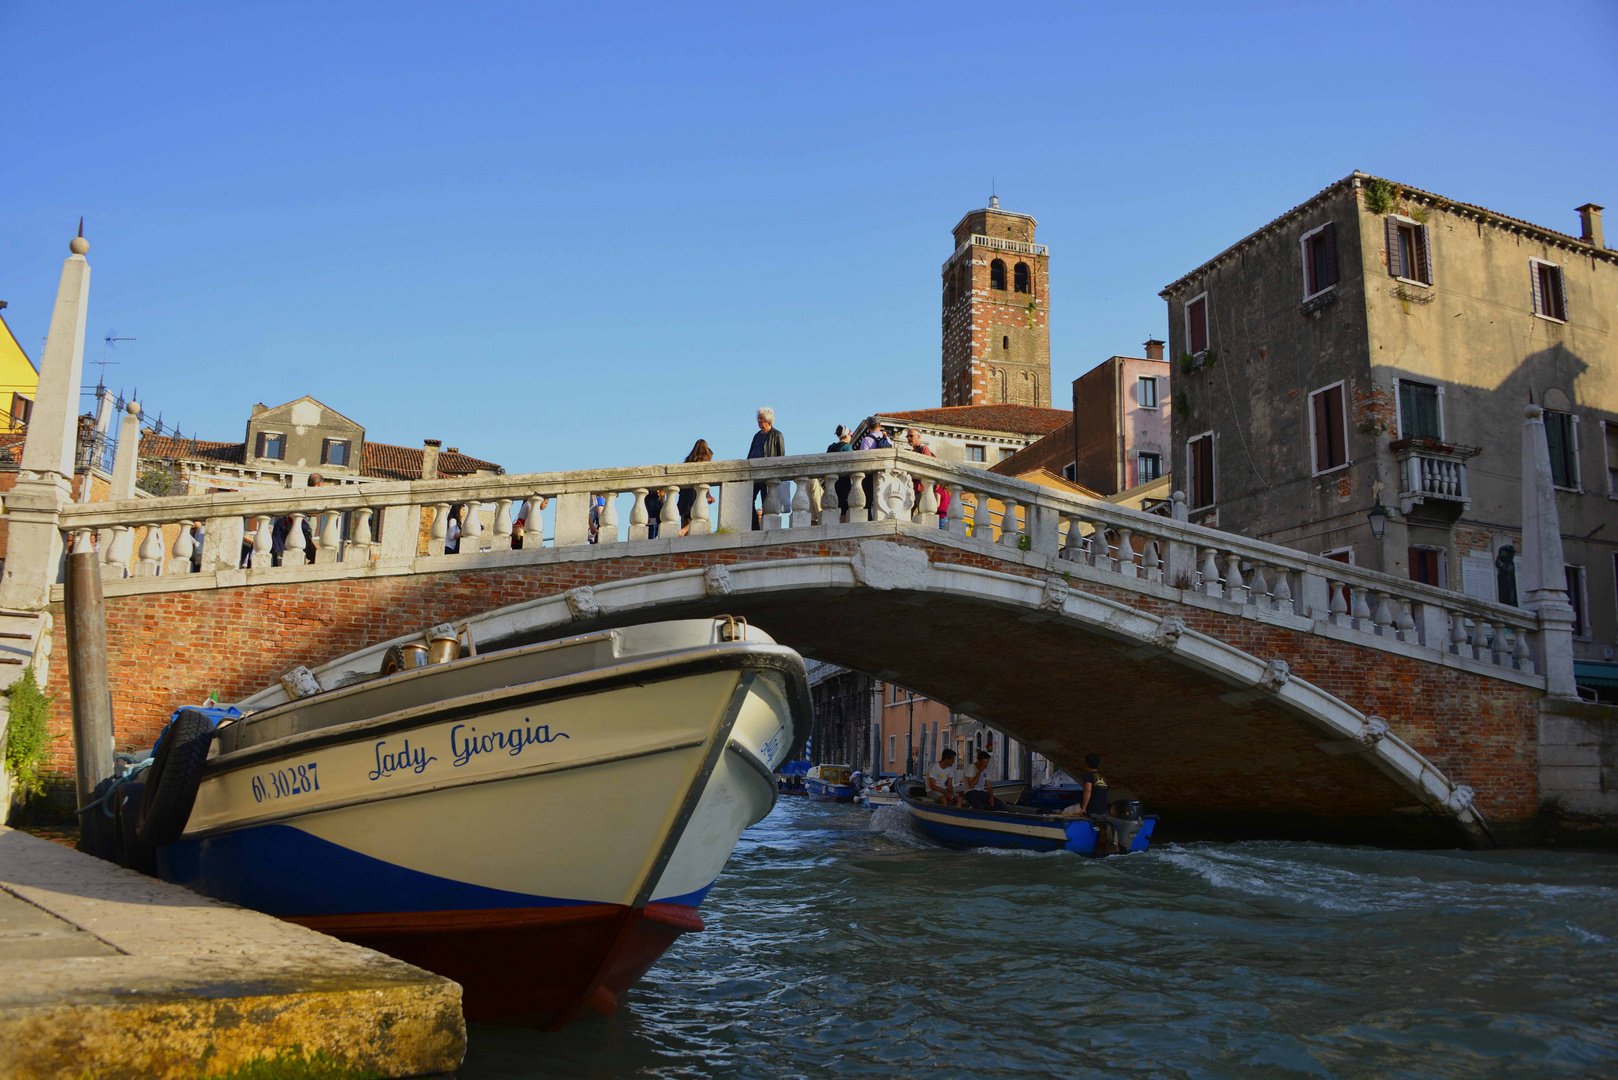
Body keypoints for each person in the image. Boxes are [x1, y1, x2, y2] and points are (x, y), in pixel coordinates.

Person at [748, 407, 785, 530]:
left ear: (768, 420)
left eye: (761, 418)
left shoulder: (777, 435)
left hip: (768, 475)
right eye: (758, 418)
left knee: (767, 501)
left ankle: (767, 528)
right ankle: (755, 526)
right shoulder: (756, 436)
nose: (758, 420)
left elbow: (781, 457)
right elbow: (750, 454)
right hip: (755, 474)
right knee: (748, 499)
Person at [903, 428, 949, 526]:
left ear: (918, 436)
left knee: (922, 514)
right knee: (907, 513)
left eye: (911, 436)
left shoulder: (924, 449)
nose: (909, 438)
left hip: (922, 488)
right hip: (914, 488)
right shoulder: (914, 451)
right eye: (907, 436)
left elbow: (926, 469)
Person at [678, 440, 716, 535]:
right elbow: (705, 483)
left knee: (687, 518)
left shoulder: (686, 463)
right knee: (701, 519)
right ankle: (684, 530)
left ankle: (684, 531)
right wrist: (708, 496)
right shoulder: (704, 465)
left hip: (684, 495)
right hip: (695, 494)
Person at [857, 418, 891, 514]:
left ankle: (869, 517)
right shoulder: (887, 439)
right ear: (880, 425)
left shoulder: (866, 440)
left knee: (868, 498)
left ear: (868, 427)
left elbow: (863, 458)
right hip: (884, 473)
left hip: (870, 474)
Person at [1061, 753, 1110, 818]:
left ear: (1086, 764)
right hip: (1101, 811)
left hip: (1091, 810)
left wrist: (1083, 808)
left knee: (1066, 811)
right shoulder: (1103, 779)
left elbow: (1088, 791)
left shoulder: (1088, 776)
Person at [824, 425, 853, 522]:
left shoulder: (831, 447)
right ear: (847, 435)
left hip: (832, 478)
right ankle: (843, 519)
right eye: (850, 435)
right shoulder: (847, 447)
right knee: (844, 501)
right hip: (843, 478)